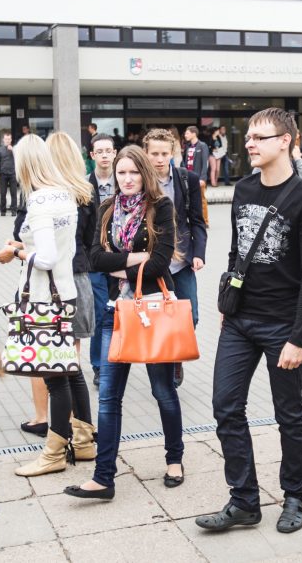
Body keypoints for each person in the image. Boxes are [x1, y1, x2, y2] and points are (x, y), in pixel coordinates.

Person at [196, 108, 302, 535]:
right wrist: (226, 299)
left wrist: (299, 337)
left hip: (282, 326)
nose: (249, 143)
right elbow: (237, 250)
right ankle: (244, 501)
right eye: (248, 136)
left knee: (288, 412)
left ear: (284, 141)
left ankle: (295, 496)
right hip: (240, 321)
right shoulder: (244, 188)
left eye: (259, 137)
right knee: (225, 406)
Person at [64, 145, 185, 500]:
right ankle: (104, 477)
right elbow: (93, 257)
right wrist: (135, 257)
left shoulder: (161, 207)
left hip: (152, 309)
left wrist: (118, 262)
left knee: (163, 390)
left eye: (133, 172)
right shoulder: (106, 208)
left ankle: (174, 459)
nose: (127, 179)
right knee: (109, 398)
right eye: (121, 173)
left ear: (144, 173)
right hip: (116, 310)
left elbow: (161, 263)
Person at [0, 133, 95, 474]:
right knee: (70, 369)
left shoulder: (38, 202)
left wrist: (18, 251)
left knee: (54, 376)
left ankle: (53, 452)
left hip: (42, 297)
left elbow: (47, 257)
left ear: (23, 165)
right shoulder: (65, 196)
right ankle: (84, 442)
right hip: (65, 292)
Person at [143, 128, 208, 388]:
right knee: (156, 316)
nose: (159, 159)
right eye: (154, 154)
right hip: (151, 261)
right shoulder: (139, 181)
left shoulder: (186, 179)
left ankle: (177, 357)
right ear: (145, 154)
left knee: (189, 315)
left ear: (173, 153)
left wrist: (198, 254)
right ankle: (166, 361)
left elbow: (197, 221)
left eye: (164, 154)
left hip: (181, 261)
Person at [86, 133, 117, 387]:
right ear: (92, 155)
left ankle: (118, 359)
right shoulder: (85, 186)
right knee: (99, 312)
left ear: (115, 153)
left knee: (121, 310)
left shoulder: (127, 181)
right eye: (100, 151)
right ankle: (98, 365)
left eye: (109, 150)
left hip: (121, 259)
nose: (105, 155)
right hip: (95, 260)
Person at [184, 126, 210, 226]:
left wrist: (203, 178)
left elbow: (205, 163)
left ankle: (205, 221)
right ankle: (194, 220)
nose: (185, 135)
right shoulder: (188, 146)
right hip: (189, 177)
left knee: (201, 199)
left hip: (199, 178)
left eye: (187, 133)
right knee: (190, 200)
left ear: (194, 133)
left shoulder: (202, 146)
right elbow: (186, 163)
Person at [0, 131, 19, 217]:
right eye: (6, 139)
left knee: (14, 193)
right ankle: (3, 211)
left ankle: (14, 211)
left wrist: (13, 150)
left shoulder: (15, 149)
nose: (7, 140)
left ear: (11, 139)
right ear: (3, 140)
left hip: (13, 173)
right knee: (3, 193)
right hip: (3, 174)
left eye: (9, 139)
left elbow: (19, 158)